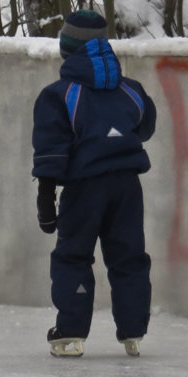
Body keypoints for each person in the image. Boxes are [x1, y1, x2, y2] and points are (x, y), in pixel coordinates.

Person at [32, 9, 157, 358]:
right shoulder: (130, 90)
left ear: (67, 49)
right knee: (129, 257)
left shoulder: (60, 94)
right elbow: (145, 126)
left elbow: (51, 147)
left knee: (73, 256)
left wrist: (46, 194)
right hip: (128, 187)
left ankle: (70, 334)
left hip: (84, 189)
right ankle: (133, 332)